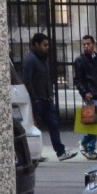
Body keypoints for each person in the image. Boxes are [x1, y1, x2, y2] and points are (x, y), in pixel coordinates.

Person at [21, 32, 71, 160]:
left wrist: (50, 94)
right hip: (37, 100)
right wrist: (34, 99)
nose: (47, 47)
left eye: (48, 44)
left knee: (53, 125)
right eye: (45, 45)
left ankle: (60, 152)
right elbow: (27, 81)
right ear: (36, 44)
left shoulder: (43, 58)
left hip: (47, 98)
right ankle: (34, 153)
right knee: (33, 128)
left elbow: (46, 78)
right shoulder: (30, 59)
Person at [72, 35, 97, 159]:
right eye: (84, 44)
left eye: (88, 44)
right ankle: (88, 145)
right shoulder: (80, 60)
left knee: (94, 122)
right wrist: (84, 92)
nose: (86, 46)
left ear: (93, 44)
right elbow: (78, 80)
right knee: (95, 123)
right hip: (90, 95)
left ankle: (86, 144)